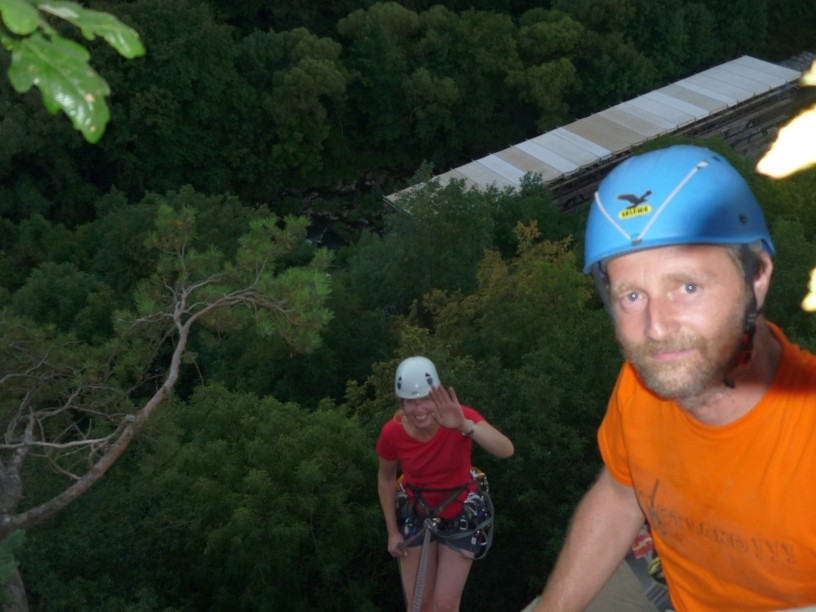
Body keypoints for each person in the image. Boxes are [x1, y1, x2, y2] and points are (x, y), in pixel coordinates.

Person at [533, 144, 816, 611]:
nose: (657, 328)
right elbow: (622, 494)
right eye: (632, 296)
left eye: (687, 286)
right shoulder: (643, 383)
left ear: (757, 276)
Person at [376, 356, 514, 612]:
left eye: (425, 399)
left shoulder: (460, 417)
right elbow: (385, 478)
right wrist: (392, 531)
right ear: (401, 403)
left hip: (460, 509)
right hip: (418, 512)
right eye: (410, 402)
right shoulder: (393, 433)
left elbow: (506, 449)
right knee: (420, 606)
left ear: (437, 395)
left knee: (445, 606)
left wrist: (464, 426)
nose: (419, 410)